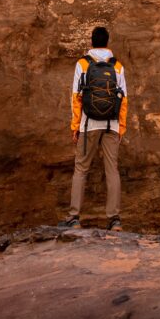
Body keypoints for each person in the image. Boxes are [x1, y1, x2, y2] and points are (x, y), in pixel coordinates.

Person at [63, 25, 127, 229]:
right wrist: (121, 127)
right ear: (108, 42)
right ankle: (114, 219)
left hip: (88, 123)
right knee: (112, 170)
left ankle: (74, 217)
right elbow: (123, 99)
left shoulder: (82, 63)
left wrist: (75, 126)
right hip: (112, 124)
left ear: (91, 41)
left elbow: (76, 98)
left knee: (81, 169)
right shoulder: (117, 66)